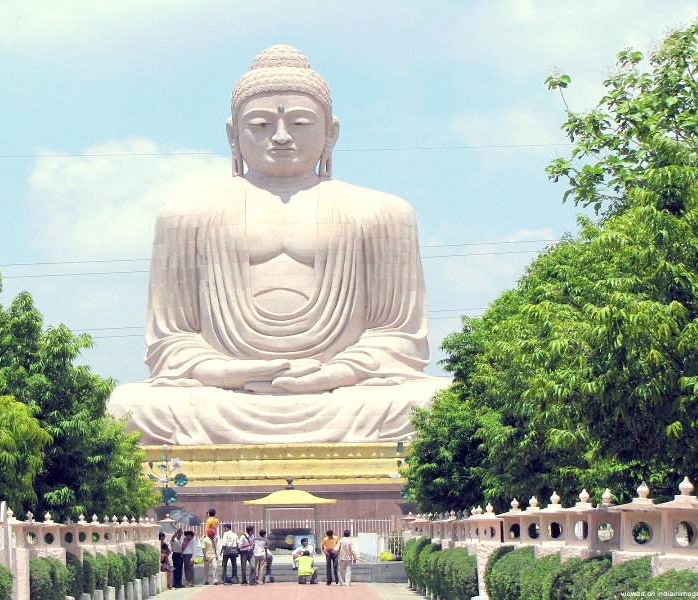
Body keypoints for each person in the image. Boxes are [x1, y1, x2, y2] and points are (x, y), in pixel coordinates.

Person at [106, 44, 453, 446]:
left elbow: (398, 336)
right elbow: (172, 340)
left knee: (434, 402)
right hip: (227, 395)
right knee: (127, 408)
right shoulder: (185, 216)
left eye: (302, 123)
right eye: (260, 124)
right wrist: (230, 372)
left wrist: (335, 373)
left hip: (343, 393)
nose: (282, 137)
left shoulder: (383, 213)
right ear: (233, 134)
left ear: (331, 132)